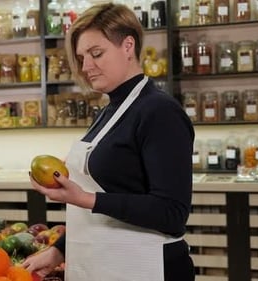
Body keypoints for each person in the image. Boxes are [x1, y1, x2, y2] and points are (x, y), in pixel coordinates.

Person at [22, 3, 195, 281]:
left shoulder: (159, 111)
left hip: (146, 267)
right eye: (81, 57)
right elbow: (111, 202)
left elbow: (171, 212)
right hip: (108, 265)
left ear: (128, 46)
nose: (86, 66)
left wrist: (85, 198)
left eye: (96, 53)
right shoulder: (110, 110)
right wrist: (59, 251)